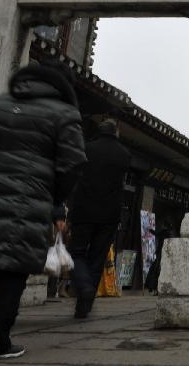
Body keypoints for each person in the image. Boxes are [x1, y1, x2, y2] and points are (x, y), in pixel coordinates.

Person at [0, 61, 87, 362]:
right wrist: (54, 196)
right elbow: (72, 163)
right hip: (28, 199)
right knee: (12, 267)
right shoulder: (64, 114)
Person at [67, 118, 131, 319]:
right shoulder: (124, 154)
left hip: (83, 210)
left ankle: (83, 286)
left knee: (76, 253)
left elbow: (75, 178)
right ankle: (84, 307)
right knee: (97, 258)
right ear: (116, 132)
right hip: (109, 214)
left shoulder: (86, 149)